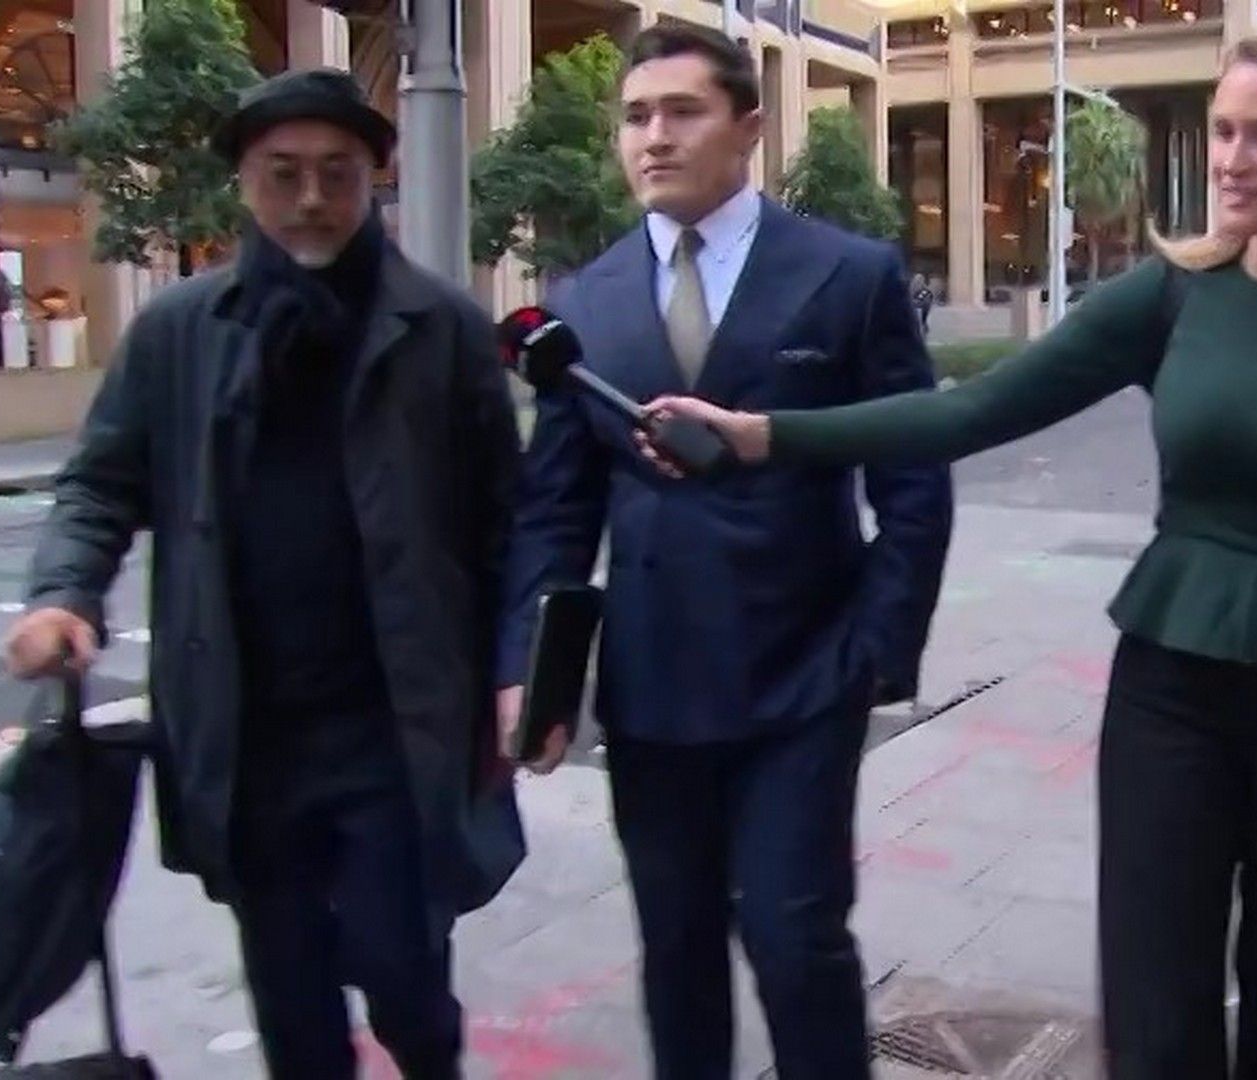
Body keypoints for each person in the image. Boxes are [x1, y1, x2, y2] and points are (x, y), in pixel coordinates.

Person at [642, 16, 1257, 1079]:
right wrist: (767, 436)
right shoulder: (1175, 294)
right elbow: (972, 412)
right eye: (1223, 130)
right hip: (1174, 696)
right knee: (1156, 1021)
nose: (1232, 159)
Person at [5, 68, 525, 1080]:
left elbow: (508, 525)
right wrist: (63, 594)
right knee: (290, 998)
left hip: (395, 727)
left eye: (338, 172)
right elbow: (100, 486)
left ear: (374, 176)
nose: (312, 198)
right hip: (246, 735)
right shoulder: (178, 334)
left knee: (404, 971)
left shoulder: (443, 329)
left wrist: (517, 669)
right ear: (244, 181)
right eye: (284, 174)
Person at [497, 24, 953, 1080]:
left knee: (796, 938)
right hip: (652, 689)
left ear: (749, 127)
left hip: (804, 677)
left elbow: (913, 476)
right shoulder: (583, 303)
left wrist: (878, 648)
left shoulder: (848, 275)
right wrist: (531, 670)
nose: (654, 136)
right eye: (636, 117)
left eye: (682, 111)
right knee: (677, 949)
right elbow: (554, 513)